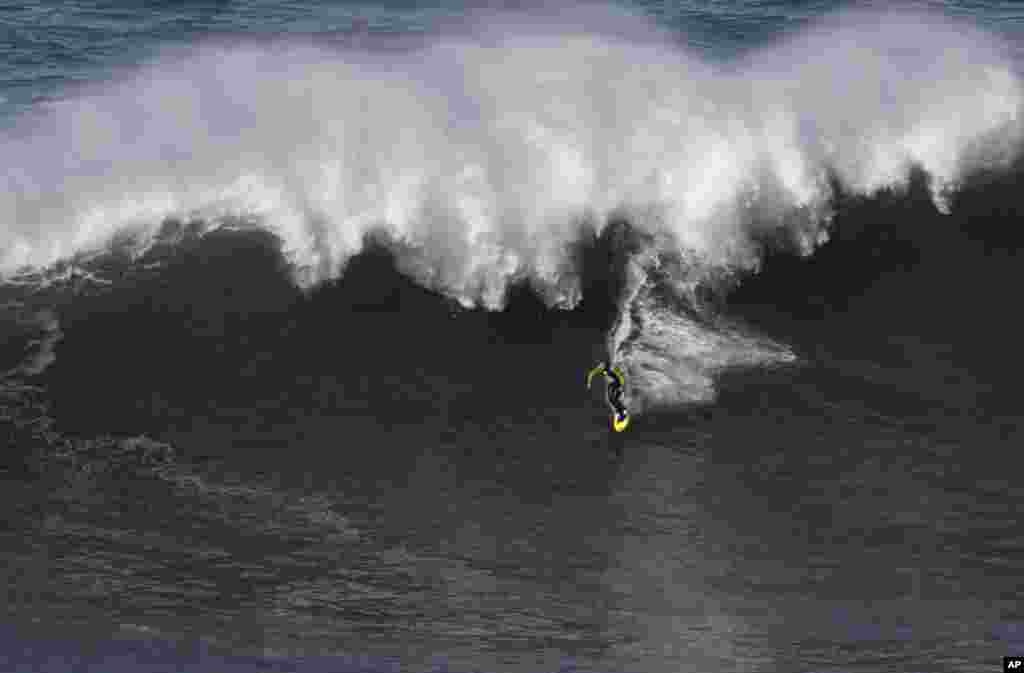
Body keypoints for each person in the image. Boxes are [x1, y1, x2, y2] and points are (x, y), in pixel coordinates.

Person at [586, 361, 630, 432]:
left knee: (614, 399)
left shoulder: (611, 369)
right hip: (613, 384)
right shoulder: (601, 370)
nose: (600, 367)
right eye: (600, 366)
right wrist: (589, 382)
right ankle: (619, 411)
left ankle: (623, 412)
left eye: (602, 366)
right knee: (611, 399)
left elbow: (620, 377)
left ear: (606, 366)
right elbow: (592, 373)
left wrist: (621, 387)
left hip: (618, 383)